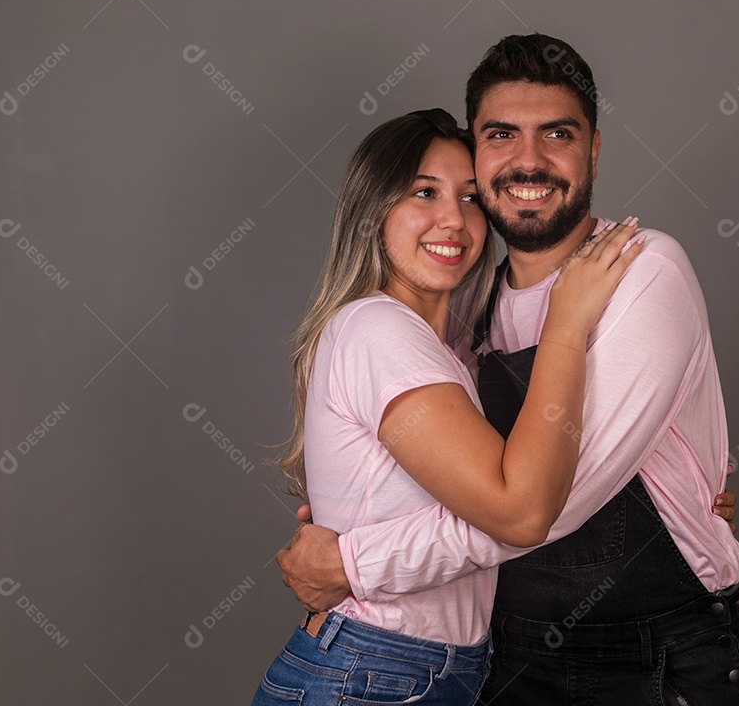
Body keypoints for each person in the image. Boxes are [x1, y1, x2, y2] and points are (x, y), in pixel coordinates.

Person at [278, 34, 739, 705]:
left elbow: (543, 508)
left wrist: (353, 562)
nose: (529, 160)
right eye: (502, 135)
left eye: (557, 134)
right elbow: (492, 490)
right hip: (507, 654)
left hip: (649, 655)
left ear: (593, 149)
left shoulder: (642, 272)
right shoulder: (469, 312)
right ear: (479, 149)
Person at [250, 107, 644, 705]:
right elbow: (520, 512)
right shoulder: (378, 329)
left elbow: (526, 490)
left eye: (468, 198)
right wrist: (567, 318)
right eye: (423, 193)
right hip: (373, 673)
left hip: (419, 672)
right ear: (373, 211)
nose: (452, 220)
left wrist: (657, 506)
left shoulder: (449, 351)